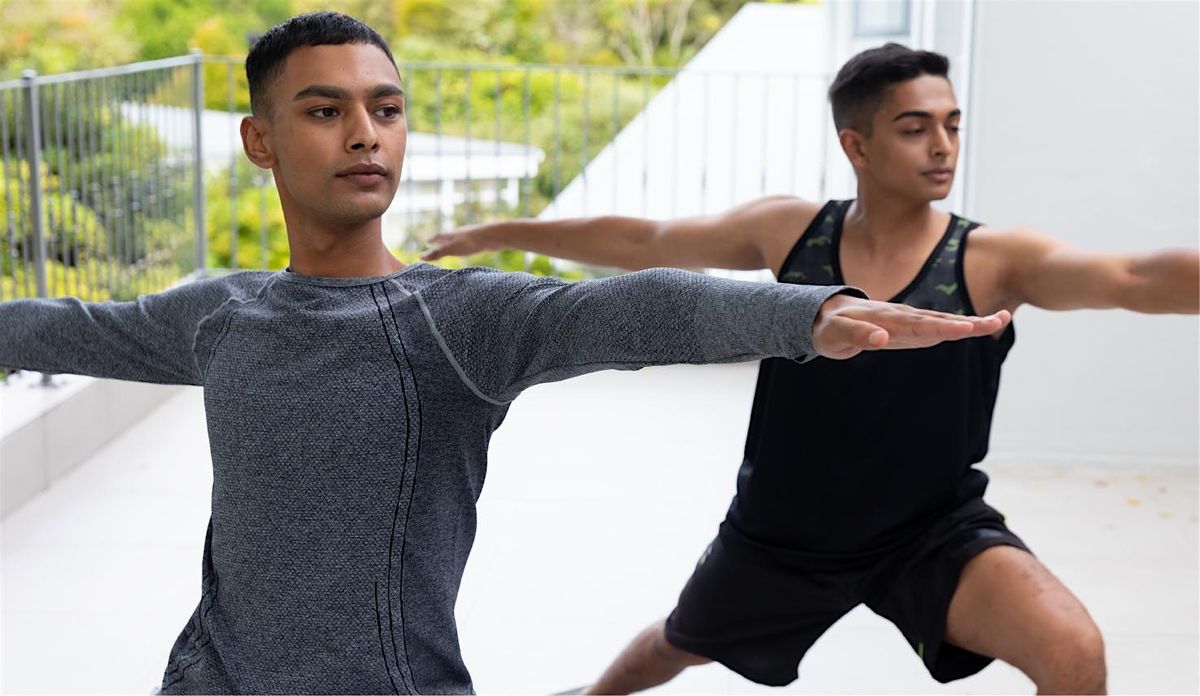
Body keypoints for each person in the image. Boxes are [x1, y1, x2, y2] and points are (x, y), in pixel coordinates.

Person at [0, 19, 1009, 695]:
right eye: (325, 111)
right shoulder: (221, 314)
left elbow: (634, 309)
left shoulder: (459, 318)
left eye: (386, 109)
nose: (366, 135)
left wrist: (810, 311)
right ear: (260, 141)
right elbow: (64, 325)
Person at [422, 43, 1199, 694]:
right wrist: (500, 230)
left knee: (1074, 651)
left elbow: (1133, 277)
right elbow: (645, 240)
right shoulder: (792, 232)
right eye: (915, 128)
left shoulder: (993, 258)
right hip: (782, 533)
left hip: (930, 530)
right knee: (673, 646)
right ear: (856, 146)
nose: (942, 146)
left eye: (952, 125)